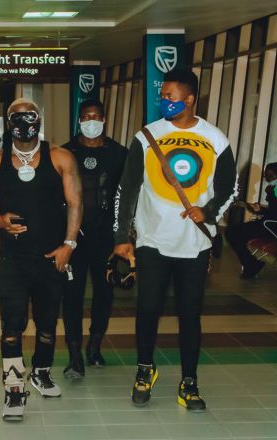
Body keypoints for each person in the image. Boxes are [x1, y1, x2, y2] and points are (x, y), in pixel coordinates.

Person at [114, 69, 237, 411]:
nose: (164, 101)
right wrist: (122, 236)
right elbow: (128, 189)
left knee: (189, 314)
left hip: (194, 245)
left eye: (170, 96)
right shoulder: (147, 136)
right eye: (162, 95)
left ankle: (189, 382)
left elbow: (230, 188)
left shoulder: (215, 138)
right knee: (147, 309)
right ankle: (144, 370)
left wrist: (207, 212)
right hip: (152, 241)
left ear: (190, 99)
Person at [0, 98, 83, 421]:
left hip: (51, 257)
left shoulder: (60, 157)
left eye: (30, 116)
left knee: (47, 323)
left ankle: (41, 372)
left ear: (40, 120)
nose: (24, 122)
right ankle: (13, 387)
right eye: (17, 117)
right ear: (9, 123)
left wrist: (69, 244)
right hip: (12, 259)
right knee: (12, 325)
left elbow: (76, 202)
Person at [62, 99, 127, 378]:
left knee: (104, 292)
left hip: (105, 237)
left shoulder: (119, 154)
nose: (91, 122)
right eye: (86, 117)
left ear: (104, 120)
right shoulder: (65, 152)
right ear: (79, 121)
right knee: (72, 295)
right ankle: (74, 353)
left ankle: (95, 345)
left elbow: (128, 195)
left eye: (96, 117)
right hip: (73, 238)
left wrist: (126, 235)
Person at [225, 162, 277, 278]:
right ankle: (251, 264)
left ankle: (252, 265)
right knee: (235, 233)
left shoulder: (275, 189)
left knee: (232, 233)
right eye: (266, 175)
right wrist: (260, 209)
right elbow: (273, 211)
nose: (267, 178)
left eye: (270, 175)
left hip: (270, 226)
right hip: (268, 224)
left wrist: (262, 209)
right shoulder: (273, 188)